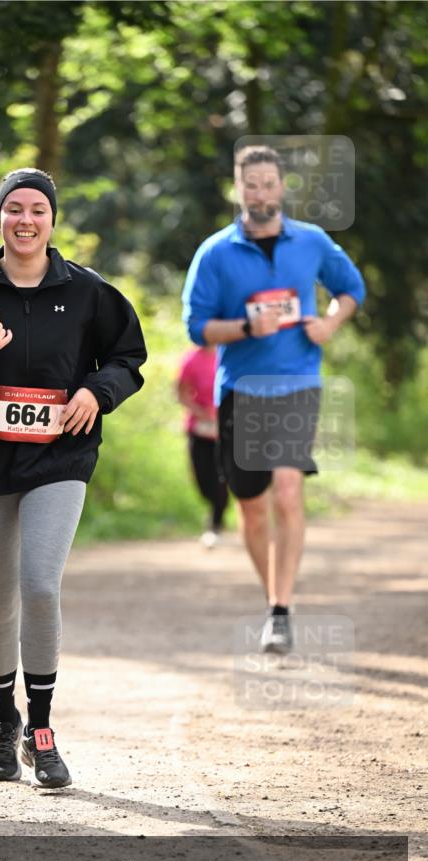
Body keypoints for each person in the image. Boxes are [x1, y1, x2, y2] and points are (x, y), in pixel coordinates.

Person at [0, 168, 146, 788]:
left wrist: (98, 390)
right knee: (1, 595)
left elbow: (128, 357)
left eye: (38, 209)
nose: (26, 220)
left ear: (53, 220)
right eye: (14, 208)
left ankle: (41, 729)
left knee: (40, 584)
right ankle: (1, 722)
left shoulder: (88, 292)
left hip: (60, 456)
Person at [182, 145, 365, 654]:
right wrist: (244, 327)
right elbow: (197, 328)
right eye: (251, 184)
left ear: (281, 187)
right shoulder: (215, 253)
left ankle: (281, 611)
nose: (260, 192)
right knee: (253, 506)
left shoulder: (311, 242)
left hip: (297, 383)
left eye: (269, 183)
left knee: (287, 490)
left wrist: (329, 322)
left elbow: (351, 289)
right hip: (241, 391)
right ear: (239, 189)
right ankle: (273, 599)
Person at [177, 345, 229, 548]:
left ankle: (215, 524)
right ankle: (215, 508)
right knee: (203, 479)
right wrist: (200, 412)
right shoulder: (191, 359)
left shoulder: (231, 354)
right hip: (199, 429)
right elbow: (181, 393)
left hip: (226, 429)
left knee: (222, 479)